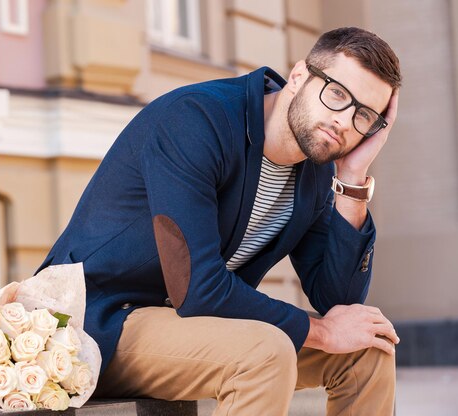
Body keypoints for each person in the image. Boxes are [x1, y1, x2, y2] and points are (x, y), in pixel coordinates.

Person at [36, 27, 402, 415]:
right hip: (98, 323)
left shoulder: (315, 173)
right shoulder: (196, 120)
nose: (344, 121)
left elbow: (337, 301)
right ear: (298, 77)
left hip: (192, 327)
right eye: (337, 94)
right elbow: (198, 285)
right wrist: (323, 332)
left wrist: (352, 181)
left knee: (367, 349)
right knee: (266, 352)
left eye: (363, 115)